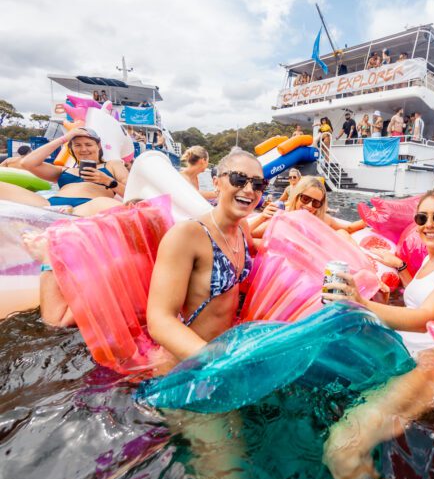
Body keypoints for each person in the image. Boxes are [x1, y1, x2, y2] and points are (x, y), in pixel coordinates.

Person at [323, 189, 434, 479]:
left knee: (342, 445)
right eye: (422, 218)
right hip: (412, 356)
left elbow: (427, 317)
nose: (429, 224)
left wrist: (360, 303)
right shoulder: (430, 260)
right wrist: (398, 270)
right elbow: (421, 297)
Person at [147, 149, 267, 362]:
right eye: (239, 179)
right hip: (184, 366)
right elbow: (159, 321)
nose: (249, 190)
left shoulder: (243, 229)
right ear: (216, 183)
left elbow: (258, 250)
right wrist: (214, 359)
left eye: (258, 184)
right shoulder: (187, 235)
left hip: (223, 357)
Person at [0, 127, 127, 215]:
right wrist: (64, 138)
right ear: (71, 147)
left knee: (111, 205)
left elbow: (133, 194)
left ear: (98, 146)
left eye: (88, 144)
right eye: (77, 145)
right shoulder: (63, 170)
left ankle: (65, 220)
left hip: (90, 205)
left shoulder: (112, 164)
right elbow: (27, 163)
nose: (83, 149)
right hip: (51, 204)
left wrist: (107, 180)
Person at [251, 176, 365, 238]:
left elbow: (348, 229)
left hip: (311, 269)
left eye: (316, 203)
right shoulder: (282, 215)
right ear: (296, 196)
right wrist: (261, 217)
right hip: (286, 268)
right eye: (305, 199)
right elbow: (250, 235)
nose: (309, 206)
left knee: (342, 234)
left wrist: (370, 217)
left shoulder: (322, 219)